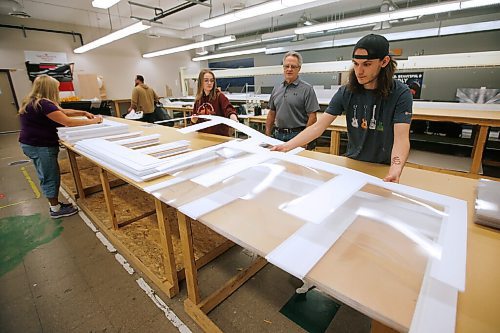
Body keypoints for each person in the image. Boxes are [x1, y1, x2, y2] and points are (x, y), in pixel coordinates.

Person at [272, 34, 412, 183]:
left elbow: (401, 139)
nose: (359, 71)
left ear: (384, 62)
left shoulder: (400, 93)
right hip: (353, 162)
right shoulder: (347, 91)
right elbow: (318, 127)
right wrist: (287, 146)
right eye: (356, 64)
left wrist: (395, 170)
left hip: (384, 167)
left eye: (367, 64)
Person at [18, 74, 103, 218]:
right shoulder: (43, 103)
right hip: (40, 146)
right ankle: (55, 209)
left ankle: (55, 205)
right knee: (50, 175)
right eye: (57, 88)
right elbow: (67, 121)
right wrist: (95, 121)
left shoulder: (34, 101)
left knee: (48, 173)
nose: (58, 91)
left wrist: (83, 112)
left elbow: (61, 112)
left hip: (32, 143)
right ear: (50, 88)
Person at [266, 51, 319, 149]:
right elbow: (271, 113)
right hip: (278, 135)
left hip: (297, 135)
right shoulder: (276, 88)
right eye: (286, 66)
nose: (289, 69)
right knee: (278, 163)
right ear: (283, 68)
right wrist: (267, 136)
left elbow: (313, 117)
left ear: (299, 69)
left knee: (297, 164)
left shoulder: (307, 89)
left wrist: (305, 139)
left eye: (293, 66)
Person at [191, 69, 238, 137]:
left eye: (211, 80)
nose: (209, 83)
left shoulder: (219, 96)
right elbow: (194, 120)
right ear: (201, 82)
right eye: (206, 80)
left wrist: (233, 118)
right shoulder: (198, 100)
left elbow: (229, 109)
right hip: (203, 136)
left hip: (219, 137)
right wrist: (193, 120)